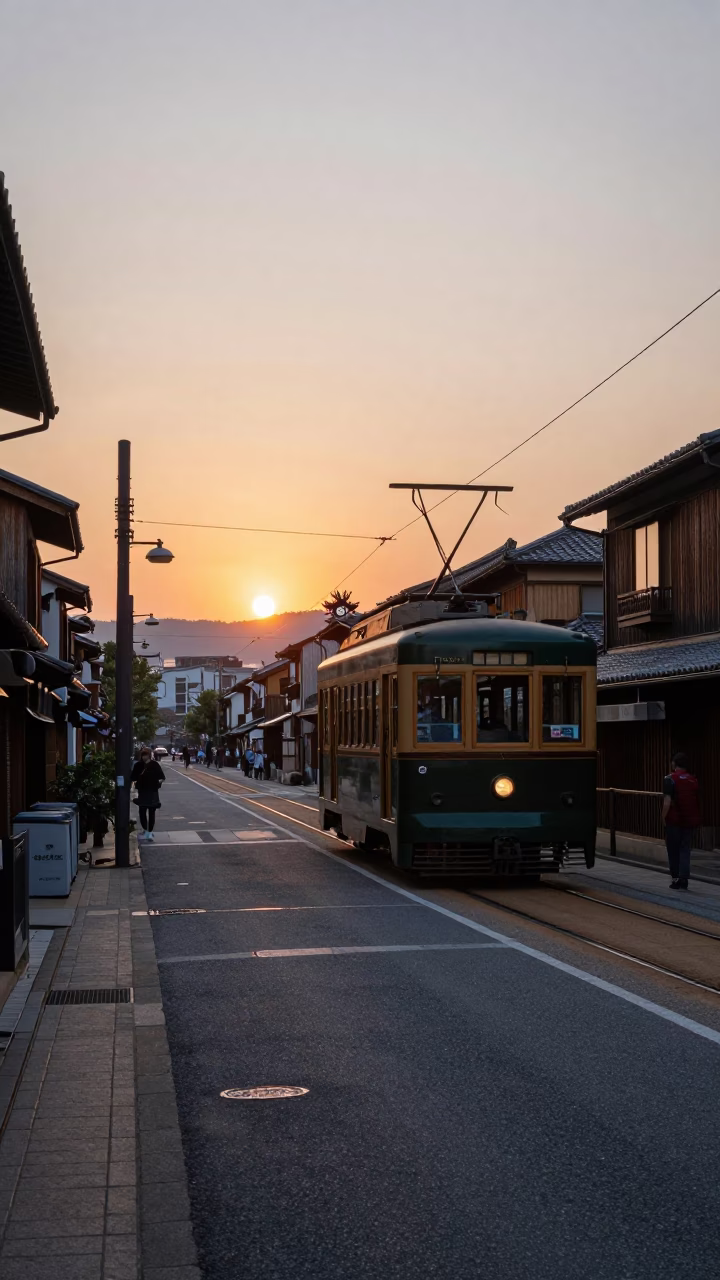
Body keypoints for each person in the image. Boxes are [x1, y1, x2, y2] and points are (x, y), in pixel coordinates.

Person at [662, 752, 700, 890]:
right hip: (690, 820)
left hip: (674, 820)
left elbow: (667, 802)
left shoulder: (669, 779)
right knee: (685, 849)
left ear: (674, 764)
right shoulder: (693, 780)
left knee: (673, 850)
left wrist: (663, 817)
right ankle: (684, 879)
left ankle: (675, 878)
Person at [131, 747, 165, 842]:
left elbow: (162, 777)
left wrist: (158, 784)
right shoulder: (138, 765)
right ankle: (146, 830)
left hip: (152, 791)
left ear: (149, 755)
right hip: (143, 791)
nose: (144, 757)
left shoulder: (154, 764)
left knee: (151, 812)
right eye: (143, 755)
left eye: (145, 755)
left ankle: (149, 832)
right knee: (142, 811)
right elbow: (133, 777)